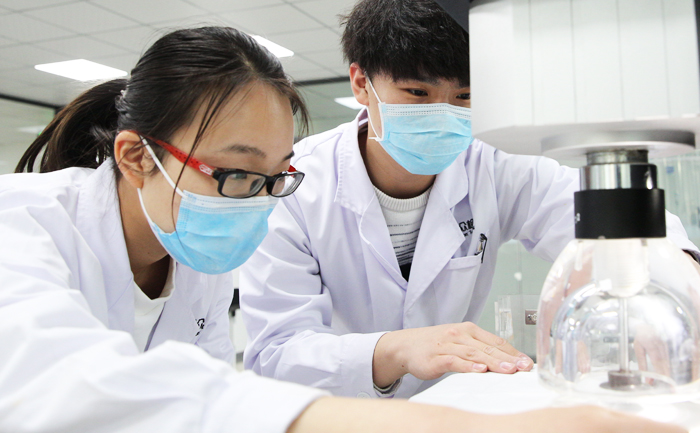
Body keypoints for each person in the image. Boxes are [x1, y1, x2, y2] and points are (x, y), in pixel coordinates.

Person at [1, 25, 681, 433]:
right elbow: (73, 387)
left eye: (274, 178)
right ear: (133, 156)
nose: (258, 202)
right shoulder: (17, 223)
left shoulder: (195, 253)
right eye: (238, 175)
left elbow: (210, 400)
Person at [239, 0, 700, 400]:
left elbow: (595, 212)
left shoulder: (494, 165)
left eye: (465, 96)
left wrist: (672, 282)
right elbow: (277, 354)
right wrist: (397, 350)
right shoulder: (292, 184)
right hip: (335, 414)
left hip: (452, 407)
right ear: (361, 83)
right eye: (417, 92)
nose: (443, 113)